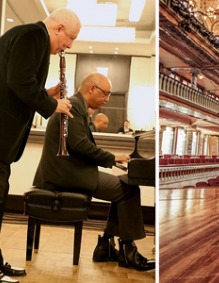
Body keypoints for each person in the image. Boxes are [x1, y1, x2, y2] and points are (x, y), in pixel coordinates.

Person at [33, 72, 155, 272]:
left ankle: (107, 245)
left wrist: (111, 159)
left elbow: (80, 144)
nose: (107, 99)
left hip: (70, 171)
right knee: (128, 190)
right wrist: (112, 158)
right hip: (65, 175)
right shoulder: (72, 106)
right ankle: (127, 250)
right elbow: (79, 144)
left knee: (126, 185)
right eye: (105, 94)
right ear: (92, 89)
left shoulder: (78, 106)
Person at [0, 8, 80, 280]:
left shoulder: (26, 36)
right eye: (70, 38)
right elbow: (19, 81)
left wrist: (45, 94)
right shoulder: (35, 34)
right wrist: (52, 104)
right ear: (58, 28)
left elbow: (14, 86)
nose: (69, 45)